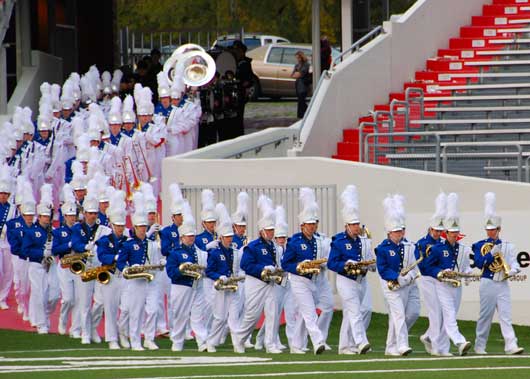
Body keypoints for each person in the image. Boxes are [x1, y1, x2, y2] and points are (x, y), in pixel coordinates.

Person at [472, 192, 524, 355]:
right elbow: (479, 264)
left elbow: (515, 263)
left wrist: (514, 270)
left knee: (506, 316)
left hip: (503, 283)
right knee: (485, 316)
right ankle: (480, 346)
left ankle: (511, 345)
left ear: (499, 229)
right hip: (487, 283)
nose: (490, 233)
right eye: (488, 230)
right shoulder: (479, 245)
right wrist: (491, 253)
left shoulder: (508, 246)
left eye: (493, 230)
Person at [281, 189, 331, 355]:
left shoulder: (318, 240)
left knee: (305, 314)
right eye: (309, 224)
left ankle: (296, 345)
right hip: (299, 280)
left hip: (314, 279)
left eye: (314, 224)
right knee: (310, 313)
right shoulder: (294, 241)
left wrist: (321, 264)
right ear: (302, 225)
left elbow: (324, 257)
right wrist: (299, 266)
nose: (312, 227)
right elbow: (285, 263)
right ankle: (318, 342)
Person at [424, 193, 473, 356]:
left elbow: (465, 267)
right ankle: (459, 341)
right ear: (446, 233)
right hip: (442, 285)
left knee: (448, 317)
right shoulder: (438, 248)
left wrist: (468, 274)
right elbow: (428, 267)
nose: (454, 235)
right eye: (451, 232)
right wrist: (440, 272)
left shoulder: (464, 249)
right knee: (449, 315)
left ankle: (441, 348)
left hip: (457, 286)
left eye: (456, 232)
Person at [232, 195, 281, 354]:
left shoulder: (274, 246)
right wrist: (262, 269)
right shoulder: (252, 246)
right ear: (262, 231)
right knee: (252, 315)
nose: (271, 233)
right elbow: (245, 264)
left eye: (272, 230)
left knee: (273, 314)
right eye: (269, 230)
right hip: (255, 282)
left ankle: (270, 344)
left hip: (270, 282)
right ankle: (239, 339)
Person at [328, 185, 372, 355]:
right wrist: (346, 264)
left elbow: (368, 257)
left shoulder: (363, 240)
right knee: (354, 311)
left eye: (357, 224)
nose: (356, 227)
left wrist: (370, 264)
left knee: (360, 311)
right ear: (346, 226)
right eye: (353, 225)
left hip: (362, 279)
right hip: (346, 280)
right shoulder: (338, 240)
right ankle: (361, 342)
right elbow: (332, 263)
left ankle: (345, 346)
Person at [375, 194, 417, 356]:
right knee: (398, 314)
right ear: (389, 233)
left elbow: (414, 264)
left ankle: (390, 346)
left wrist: (410, 276)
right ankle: (402, 345)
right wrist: (397, 278)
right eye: (397, 231)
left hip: (407, 284)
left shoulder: (408, 245)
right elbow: (382, 268)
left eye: (401, 231)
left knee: (409, 313)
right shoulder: (383, 248)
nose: (400, 233)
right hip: (390, 284)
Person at [166, 201, 209, 352]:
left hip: (198, 286)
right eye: (188, 236)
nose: (191, 238)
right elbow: (171, 273)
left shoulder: (200, 252)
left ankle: (202, 342)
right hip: (181, 286)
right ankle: (177, 342)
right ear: (182, 237)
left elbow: (206, 268)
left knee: (198, 315)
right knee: (180, 316)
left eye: (192, 236)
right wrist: (183, 270)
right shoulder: (175, 253)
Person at [204, 203, 243, 353]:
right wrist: (219, 277)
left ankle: (237, 344)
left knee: (234, 317)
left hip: (233, 288)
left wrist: (239, 277)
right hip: (220, 288)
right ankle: (211, 342)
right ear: (221, 237)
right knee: (219, 317)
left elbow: (237, 268)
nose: (229, 239)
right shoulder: (214, 252)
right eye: (226, 237)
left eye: (230, 237)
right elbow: (209, 271)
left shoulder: (234, 251)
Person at [95, 190, 128, 350]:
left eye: (122, 226)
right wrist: (116, 258)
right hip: (110, 275)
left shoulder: (128, 240)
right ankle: (112, 338)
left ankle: (123, 333)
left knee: (126, 308)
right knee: (110, 308)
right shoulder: (104, 240)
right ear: (112, 225)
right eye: (117, 226)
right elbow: (102, 256)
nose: (120, 229)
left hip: (125, 276)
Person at [415, 192, 447, 355]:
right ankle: (435, 345)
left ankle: (428, 336)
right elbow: (424, 266)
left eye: (439, 231)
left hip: (440, 279)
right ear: (430, 229)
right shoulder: (422, 243)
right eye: (435, 230)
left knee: (442, 310)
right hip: (427, 279)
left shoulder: (443, 243)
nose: (437, 233)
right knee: (435, 311)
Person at [291, 51, 311, 119]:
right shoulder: (297, 65)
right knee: (300, 100)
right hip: (298, 84)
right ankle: (301, 114)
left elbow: (301, 73)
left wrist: (298, 74)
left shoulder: (306, 64)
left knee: (301, 100)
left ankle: (305, 113)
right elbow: (293, 75)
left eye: (298, 58)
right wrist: (297, 74)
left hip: (304, 84)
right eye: (296, 58)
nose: (297, 59)